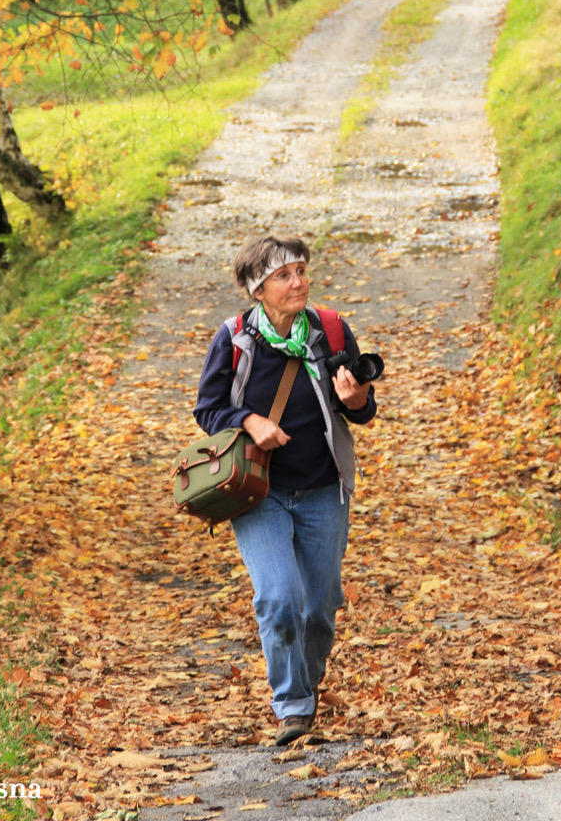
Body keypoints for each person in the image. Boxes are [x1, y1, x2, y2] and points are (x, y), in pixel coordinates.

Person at [194, 234, 377, 745]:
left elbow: (362, 411)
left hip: (323, 488)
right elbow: (208, 410)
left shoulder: (331, 330)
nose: (297, 282)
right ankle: (293, 706)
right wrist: (250, 420)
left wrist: (357, 397)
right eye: (283, 275)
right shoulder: (234, 340)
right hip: (259, 490)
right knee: (279, 597)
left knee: (320, 604)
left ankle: (307, 682)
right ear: (258, 289)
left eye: (301, 270)